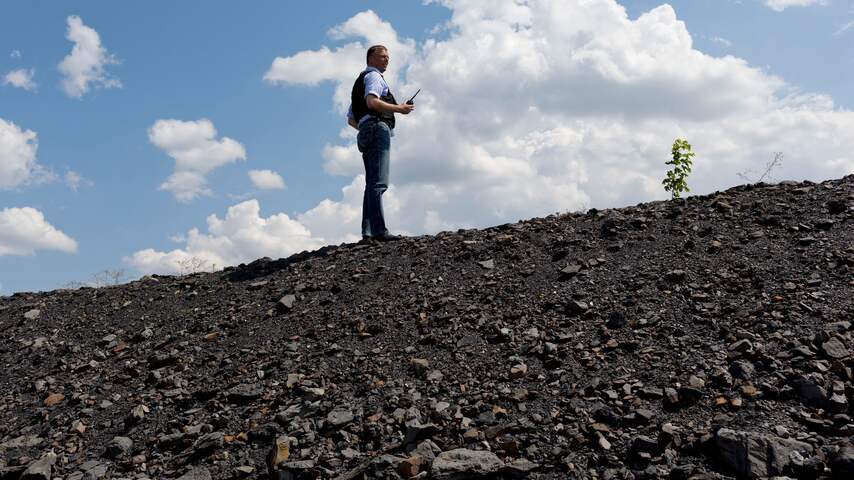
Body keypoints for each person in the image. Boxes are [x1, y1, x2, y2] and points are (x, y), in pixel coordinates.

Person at [347, 45, 415, 242]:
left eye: (388, 57)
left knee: (371, 183)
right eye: (382, 56)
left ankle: (367, 233)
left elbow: (351, 119)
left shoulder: (359, 83)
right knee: (379, 183)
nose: (386, 60)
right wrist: (399, 109)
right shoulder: (374, 77)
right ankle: (378, 231)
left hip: (366, 131)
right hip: (377, 129)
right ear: (370, 59)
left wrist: (365, 127)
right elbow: (372, 102)